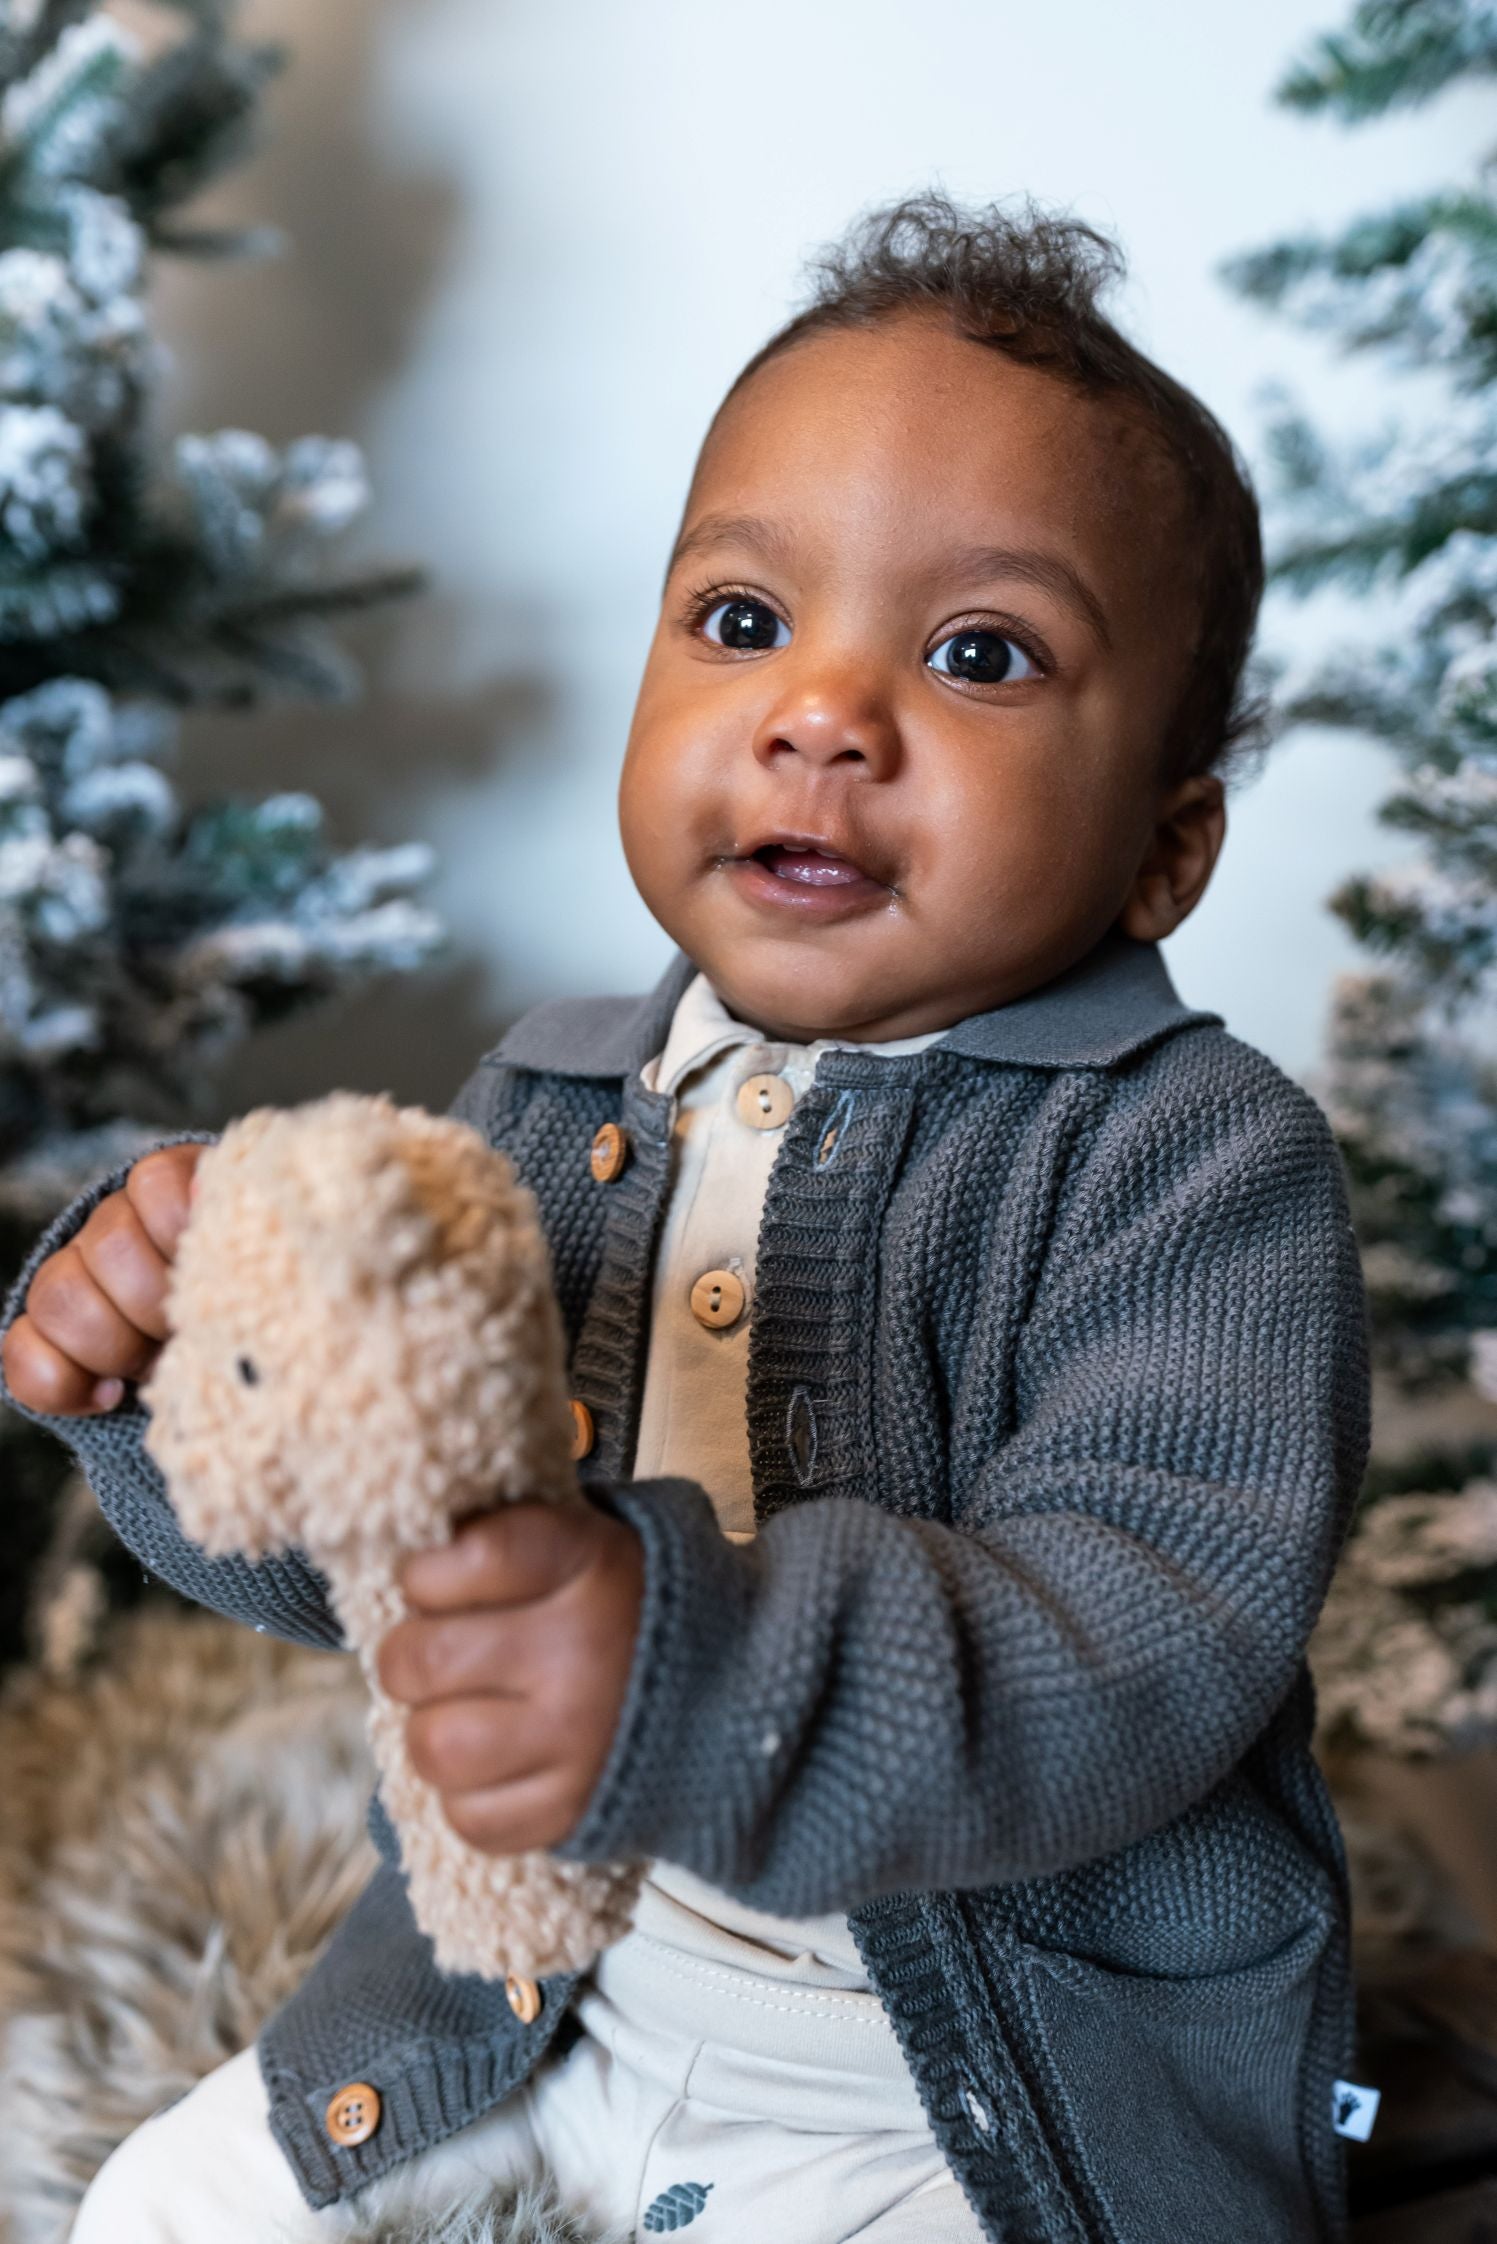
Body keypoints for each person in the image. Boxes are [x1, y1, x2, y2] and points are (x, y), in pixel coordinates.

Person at [0, 191, 1372, 2244]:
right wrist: (186, 1370)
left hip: (965, 2097)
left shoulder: (1190, 1169)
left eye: (976, 653)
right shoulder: (550, 1107)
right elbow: (394, 1575)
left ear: (1164, 850)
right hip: (548, 2006)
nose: (820, 713)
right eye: (743, 623)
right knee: (155, 2204)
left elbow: (1133, 1643)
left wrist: (674, 1661)